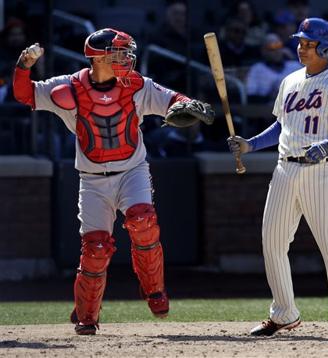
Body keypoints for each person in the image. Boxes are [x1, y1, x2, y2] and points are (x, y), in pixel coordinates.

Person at [13, 28, 214, 335]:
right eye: (119, 53)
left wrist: (188, 104)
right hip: (92, 180)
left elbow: (172, 99)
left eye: (126, 52)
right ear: (99, 56)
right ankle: (87, 316)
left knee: (143, 222)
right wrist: (23, 65)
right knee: (95, 248)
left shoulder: (135, 85)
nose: (126, 58)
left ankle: (155, 291)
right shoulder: (68, 87)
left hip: (132, 171)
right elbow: (24, 93)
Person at [228, 18, 328, 337]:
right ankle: (284, 313)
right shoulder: (290, 80)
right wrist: (250, 144)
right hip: (285, 168)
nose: (301, 48)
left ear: (325, 46)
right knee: (272, 242)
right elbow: (280, 127)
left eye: (308, 43)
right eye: (300, 42)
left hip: (323, 169)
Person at [246, 33, 301, 102]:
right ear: (263, 51)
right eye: (272, 47)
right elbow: (251, 96)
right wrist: (271, 97)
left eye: (279, 46)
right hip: (266, 108)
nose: (277, 51)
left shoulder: (295, 66)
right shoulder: (256, 69)